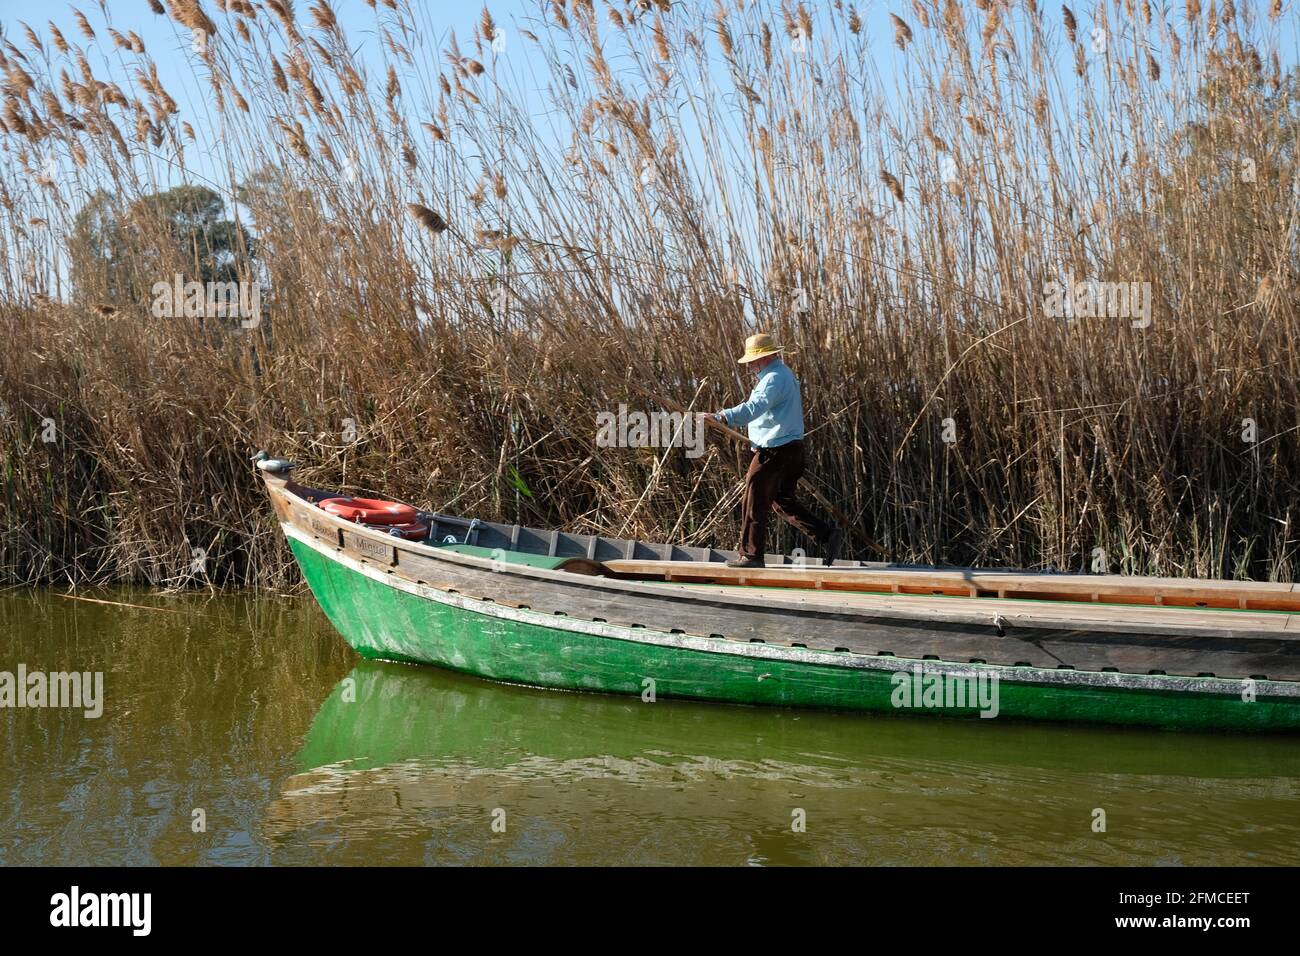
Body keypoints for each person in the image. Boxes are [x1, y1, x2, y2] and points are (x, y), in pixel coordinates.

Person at [712, 333, 844, 569]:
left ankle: (751, 555)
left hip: (776, 451)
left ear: (767, 356)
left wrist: (723, 416)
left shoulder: (773, 378)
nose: (750, 365)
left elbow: (754, 407)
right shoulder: (782, 375)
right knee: (782, 501)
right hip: (792, 450)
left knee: (753, 499)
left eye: (753, 360)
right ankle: (827, 534)